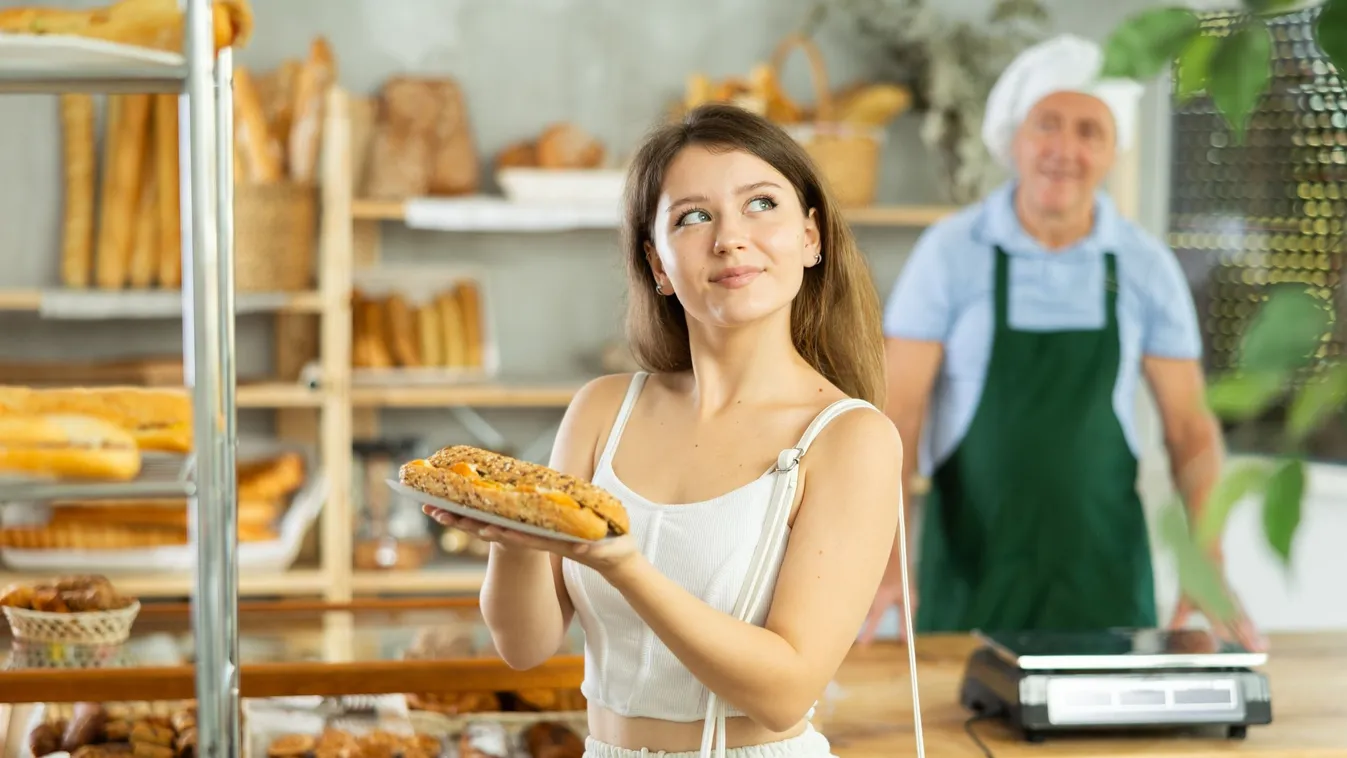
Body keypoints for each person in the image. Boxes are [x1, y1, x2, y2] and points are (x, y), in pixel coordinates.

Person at [425, 103, 903, 758]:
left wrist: (624, 566)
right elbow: (525, 647)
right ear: (656, 264)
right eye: (693, 217)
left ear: (811, 237)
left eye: (760, 204)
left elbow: (784, 691)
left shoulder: (848, 438)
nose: (730, 238)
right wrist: (512, 538)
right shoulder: (601, 411)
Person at [859, 33, 1265, 651]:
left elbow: (1190, 427)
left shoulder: (1144, 266)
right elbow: (898, 415)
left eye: (1089, 131)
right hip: (970, 573)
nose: (1065, 150)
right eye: (1048, 124)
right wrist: (887, 559)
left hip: (1101, 576)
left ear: (1112, 151)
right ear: (1014, 139)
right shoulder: (951, 253)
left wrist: (1205, 560)